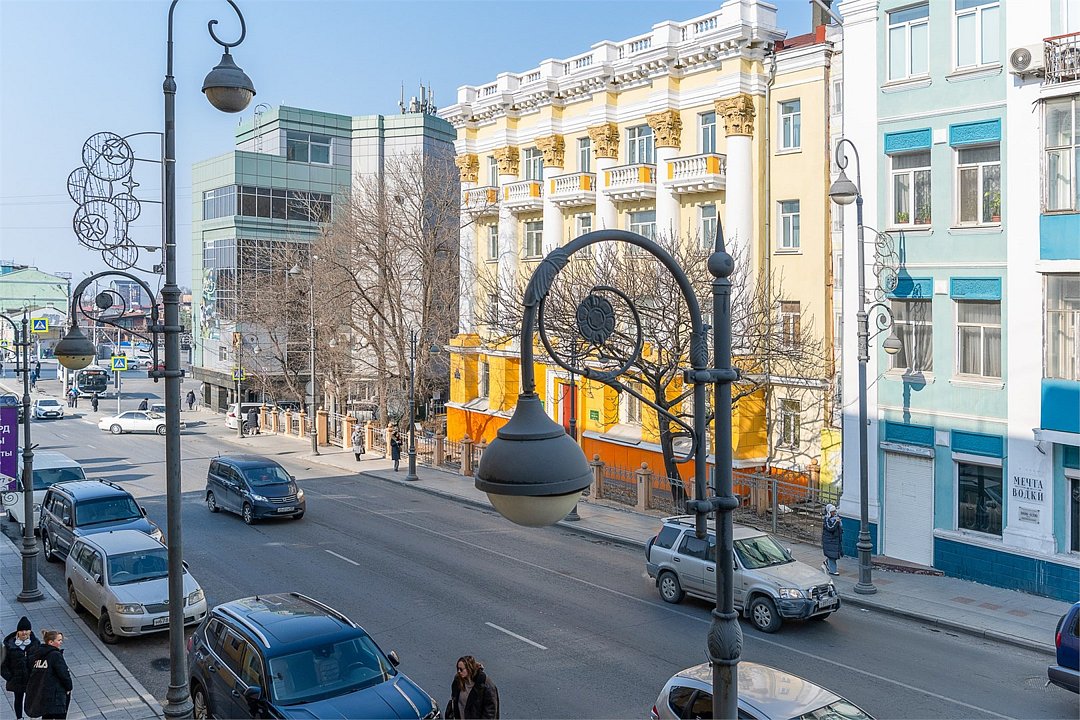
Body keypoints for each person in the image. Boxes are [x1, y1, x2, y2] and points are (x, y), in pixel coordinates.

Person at [24, 630, 71, 720]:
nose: (61, 642)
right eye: (59, 640)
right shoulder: (55, 655)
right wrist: (69, 687)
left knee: (46, 716)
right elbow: (64, 674)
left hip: (43, 694)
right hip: (56, 695)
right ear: (51, 642)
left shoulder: (38, 654)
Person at [1, 616, 40, 720]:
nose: (24, 633)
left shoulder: (35, 644)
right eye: (22, 630)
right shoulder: (9, 646)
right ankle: (19, 718)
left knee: (32, 699)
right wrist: (10, 677)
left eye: (26, 630)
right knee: (18, 699)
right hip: (17, 680)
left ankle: (32, 717)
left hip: (31, 679)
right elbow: (2, 665)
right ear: (17, 632)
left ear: (30, 631)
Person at [821, 504, 843, 576]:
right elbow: (830, 528)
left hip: (835, 540)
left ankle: (827, 563)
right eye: (832, 511)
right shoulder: (827, 519)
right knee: (832, 556)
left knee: (833, 555)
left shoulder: (836, 517)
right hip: (829, 541)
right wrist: (837, 522)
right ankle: (833, 570)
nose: (834, 513)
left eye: (834, 511)